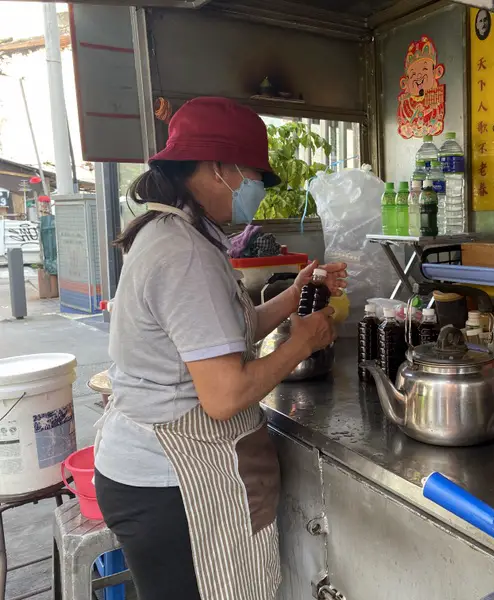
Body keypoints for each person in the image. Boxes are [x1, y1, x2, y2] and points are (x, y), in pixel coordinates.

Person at [93, 97, 345, 600]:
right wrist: (303, 341)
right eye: (253, 175)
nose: (256, 189)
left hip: (154, 473)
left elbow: (230, 331)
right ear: (217, 169)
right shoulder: (184, 253)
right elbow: (225, 395)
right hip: (170, 484)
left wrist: (292, 297)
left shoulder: (174, 231)